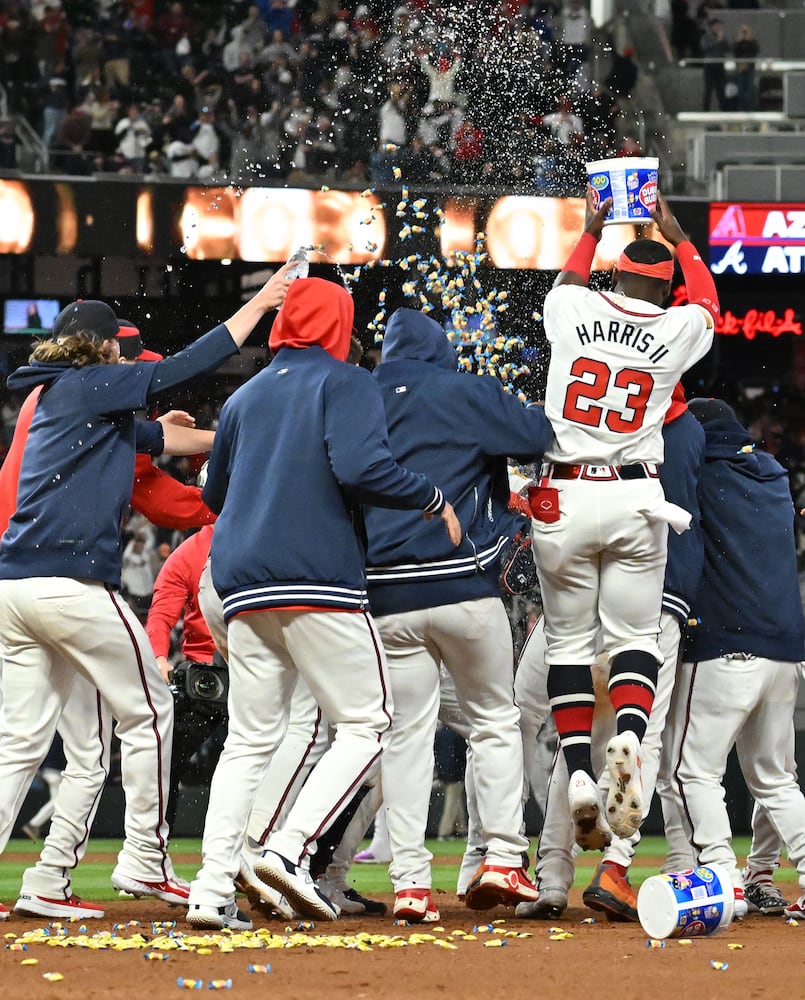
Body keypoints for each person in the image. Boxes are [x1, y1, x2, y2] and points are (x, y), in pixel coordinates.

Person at [0, 270, 294, 921]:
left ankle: (48, 880)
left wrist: (253, 440)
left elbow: (168, 440)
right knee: (154, 710)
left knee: (32, 745)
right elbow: (193, 361)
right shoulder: (89, 381)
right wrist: (261, 303)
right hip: (65, 586)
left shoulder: (57, 395)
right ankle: (144, 858)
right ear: (105, 348)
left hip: (14, 592)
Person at [187, 277, 461, 932]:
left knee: (250, 740)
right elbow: (364, 468)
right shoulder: (345, 381)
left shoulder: (245, 395)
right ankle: (289, 848)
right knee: (370, 723)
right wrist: (429, 497)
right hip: (313, 577)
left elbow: (216, 495)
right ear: (337, 325)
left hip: (240, 581)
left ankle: (210, 889)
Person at [531, 190, 718, 855]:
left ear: (611, 273)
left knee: (567, 650)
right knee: (634, 638)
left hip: (563, 495)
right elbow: (707, 305)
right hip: (636, 495)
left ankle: (580, 771)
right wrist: (679, 236)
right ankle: (631, 736)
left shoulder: (573, 305)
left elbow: (564, 282)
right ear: (663, 289)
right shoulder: (674, 327)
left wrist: (588, 229)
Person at [362, 306, 554, 923]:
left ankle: (412, 884)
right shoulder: (462, 389)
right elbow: (536, 435)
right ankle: (502, 856)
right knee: (495, 720)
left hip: (385, 595)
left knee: (406, 736)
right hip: (464, 586)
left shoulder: (357, 395)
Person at [515, 386, 707, 921]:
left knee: (569, 743)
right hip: (652, 599)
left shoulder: (583, 420)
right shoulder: (685, 431)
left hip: (576, 594)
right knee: (640, 738)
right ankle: (615, 867)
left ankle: (549, 877)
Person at [665, 397, 805, 920]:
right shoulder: (773, 478)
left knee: (690, 770)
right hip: (785, 652)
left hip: (727, 644)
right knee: (775, 779)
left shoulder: (697, 475)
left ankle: (722, 877)